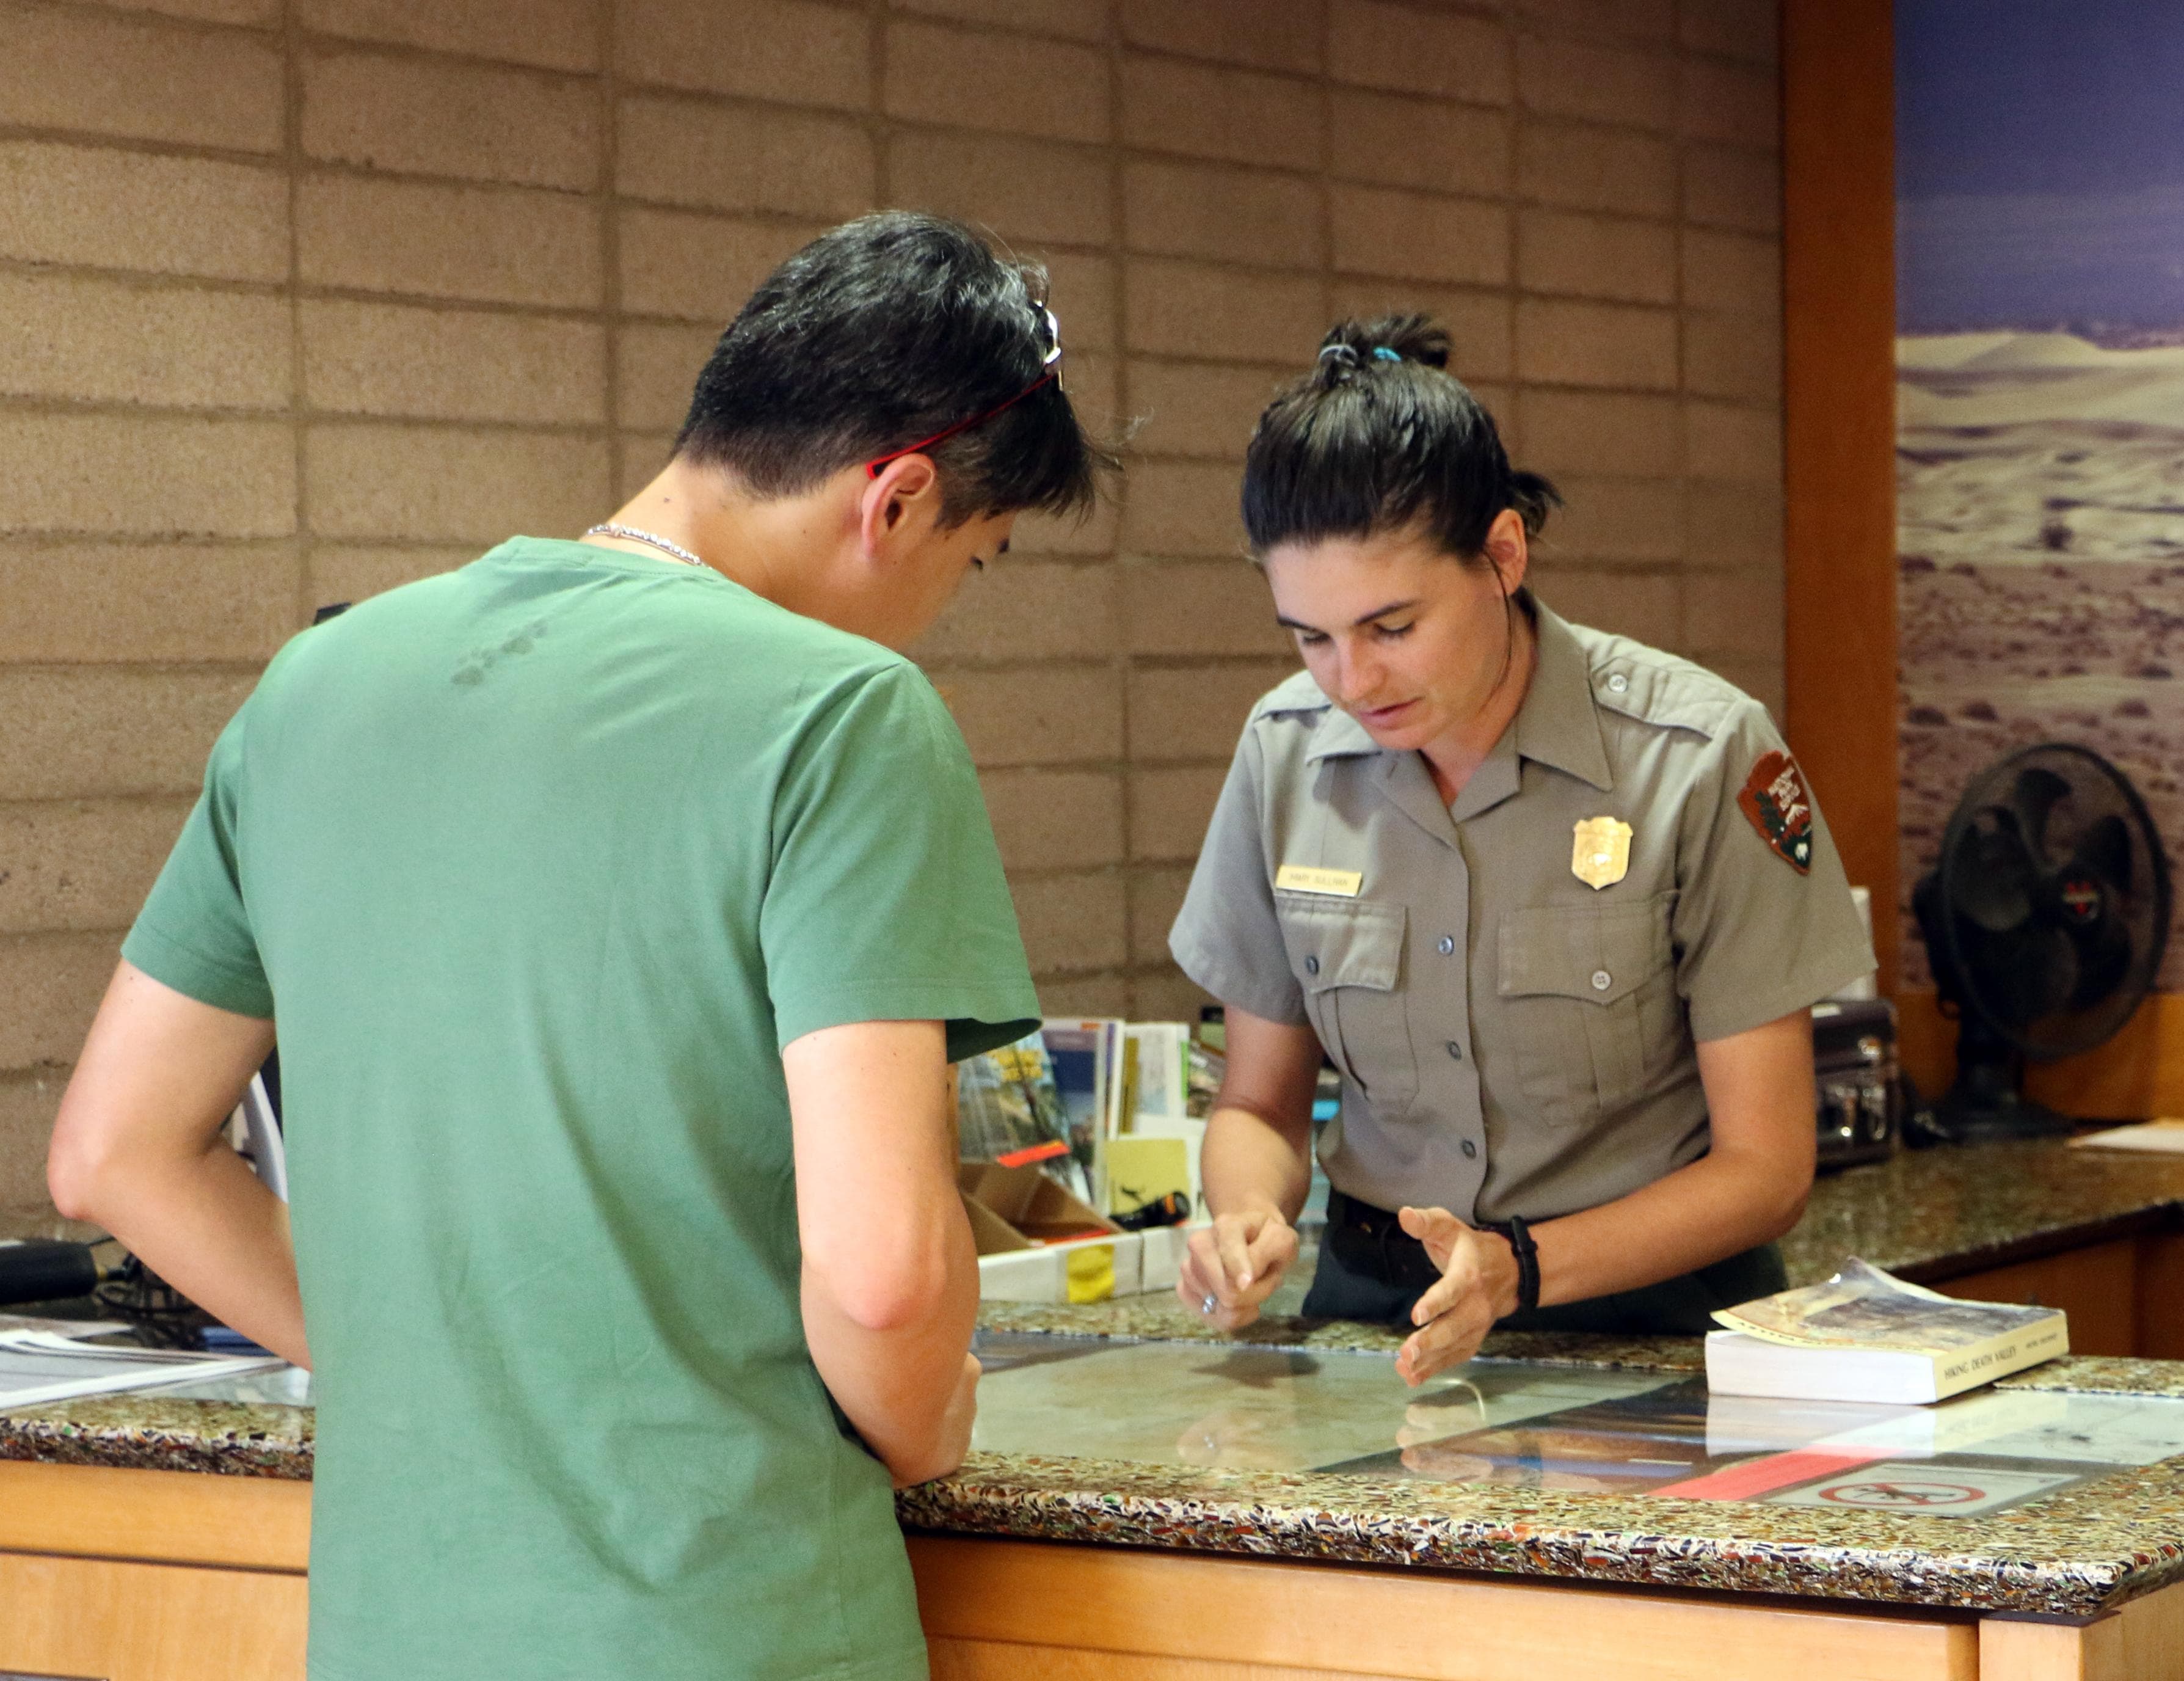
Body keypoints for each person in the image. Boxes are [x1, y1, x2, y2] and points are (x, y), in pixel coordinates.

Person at [47, 213, 1108, 1681]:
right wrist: (927, 1427)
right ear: (900, 497)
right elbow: (884, 1281)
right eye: (976, 563)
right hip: (728, 1618)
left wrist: (428, 1373)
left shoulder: (316, 685)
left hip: (393, 1626)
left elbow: (113, 1152)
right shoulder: (844, 713)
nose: (941, 617)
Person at [1169, 315, 1874, 1387]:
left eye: (1391, 627)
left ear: (1502, 555)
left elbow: (1767, 1169)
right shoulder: (1286, 755)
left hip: (1651, 1323)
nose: (1351, 682)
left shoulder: (1696, 755)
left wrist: (1520, 1272)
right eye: (1311, 638)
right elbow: (1260, 1104)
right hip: (1375, 1317)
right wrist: (1246, 1214)